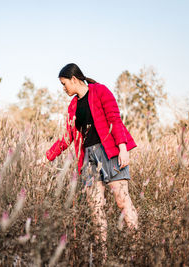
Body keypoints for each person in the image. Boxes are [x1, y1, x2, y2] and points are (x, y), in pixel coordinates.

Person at [42, 63, 138, 244]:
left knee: (122, 201)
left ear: (74, 79)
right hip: (88, 158)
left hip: (109, 151)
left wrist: (123, 148)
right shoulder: (72, 106)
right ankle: (101, 252)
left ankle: (137, 246)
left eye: (64, 84)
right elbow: (67, 137)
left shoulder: (100, 91)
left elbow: (114, 119)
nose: (63, 88)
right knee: (95, 206)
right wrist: (47, 157)